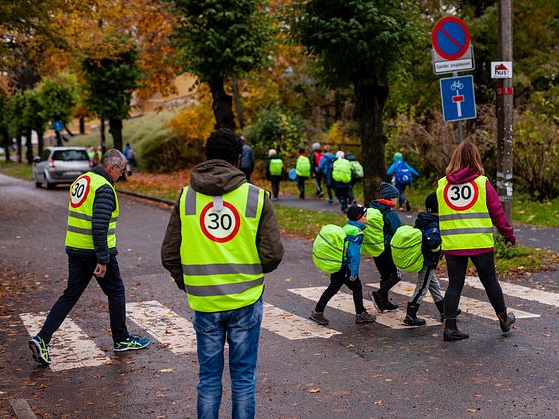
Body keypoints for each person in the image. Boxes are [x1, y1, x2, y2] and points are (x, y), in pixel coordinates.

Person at [161, 128, 284, 419]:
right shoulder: (255, 197)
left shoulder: (185, 198)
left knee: (208, 380)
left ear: (207, 157)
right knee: (242, 379)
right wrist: (250, 271)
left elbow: (169, 254)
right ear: (239, 159)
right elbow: (273, 254)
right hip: (245, 300)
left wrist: (190, 282)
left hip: (205, 304)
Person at [29, 149, 150, 366]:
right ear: (111, 167)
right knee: (116, 291)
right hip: (96, 251)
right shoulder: (103, 187)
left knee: (70, 295)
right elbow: (99, 225)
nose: (121, 176)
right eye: (120, 171)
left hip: (76, 248)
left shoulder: (82, 180)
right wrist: (102, 259)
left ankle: (42, 338)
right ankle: (121, 339)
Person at [438, 141, 517, 341]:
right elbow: (497, 212)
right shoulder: (481, 183)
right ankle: (503, 318)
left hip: (454, 244)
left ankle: (450, 327)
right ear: (475, 159)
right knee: (490, 281)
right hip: (479, 242)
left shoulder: (442, 185)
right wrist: (508, 234)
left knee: (455, 285)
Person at [310, 204, 376, 325]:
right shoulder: (356, 233)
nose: (366, 219)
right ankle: (360, 313)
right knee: (356, 286)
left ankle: (317, 312)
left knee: (334, 287)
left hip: (338, 263)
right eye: (365, 216)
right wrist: (353, 273)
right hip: (346, 266)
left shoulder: (346, 227)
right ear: (359, 218)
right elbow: (354, 255)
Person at [403, 192, 449, 326]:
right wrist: (439, 252)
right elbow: (433, 242)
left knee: (434, 285)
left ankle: (444, 311)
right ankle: (410, 314)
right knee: (422, 287)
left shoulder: (423, 220)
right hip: (427, 260)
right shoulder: (433, 224)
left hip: (423, 258)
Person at [368, 182, 404, 312]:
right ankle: (378, 294)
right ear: (390, 198)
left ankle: (384, 302)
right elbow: (397, 231)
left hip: (376, 247)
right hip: (387, 248)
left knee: (385, 275)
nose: (397, 200)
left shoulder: (373, 209)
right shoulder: (389, 212)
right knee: (396, 274)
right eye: (396, 197)